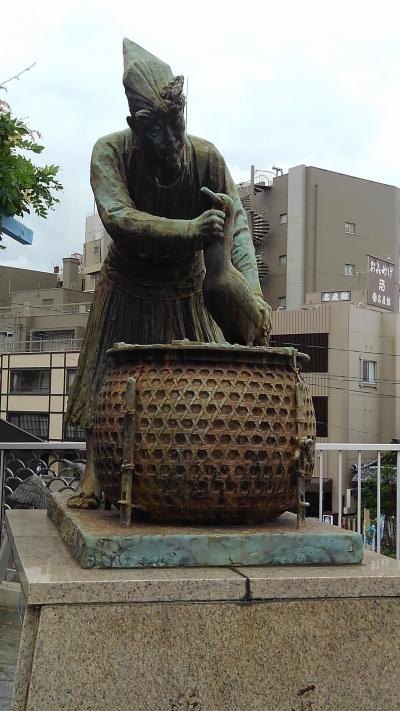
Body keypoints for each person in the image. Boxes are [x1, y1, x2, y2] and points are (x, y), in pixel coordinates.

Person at [66, 38, 271, 508]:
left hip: (186, 291)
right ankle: (95, 479)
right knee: (109, 389)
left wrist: (251, 299)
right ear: (134, 126)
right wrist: (190, 229)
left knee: (196, 392)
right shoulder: (110, 153)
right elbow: (118, 217)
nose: (171, 142)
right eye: (156, 131)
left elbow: (237, 230)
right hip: (126, 286)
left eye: (177, 126)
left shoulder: (207, 158)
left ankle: (191, 481)